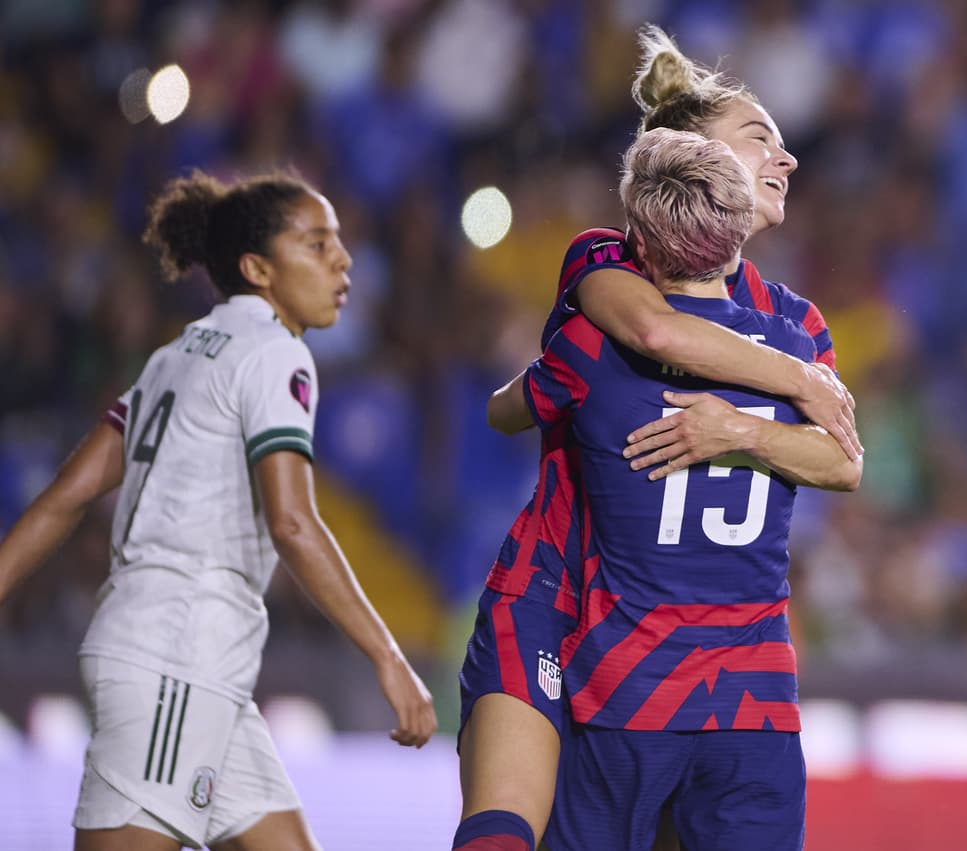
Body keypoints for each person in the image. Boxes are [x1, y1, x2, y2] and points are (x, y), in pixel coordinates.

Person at [452, 25, 860, 851]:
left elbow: (845, 463)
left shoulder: (787, 315)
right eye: (760, 140)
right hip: (551, 596)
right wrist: (798, 379)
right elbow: (659, 330)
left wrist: (742, 426)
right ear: (688, 155)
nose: (785, 160)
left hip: (660, 643)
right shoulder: (607, 264)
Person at [0, 170, 437, 851]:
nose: (343, 259)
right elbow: (292, 522)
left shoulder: (173, 357)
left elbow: (69, 493)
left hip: (186, 663)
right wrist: (388, 656)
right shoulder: (274, 355)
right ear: (258, 268)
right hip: (177, 655)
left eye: (339, 242)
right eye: (317, 243)